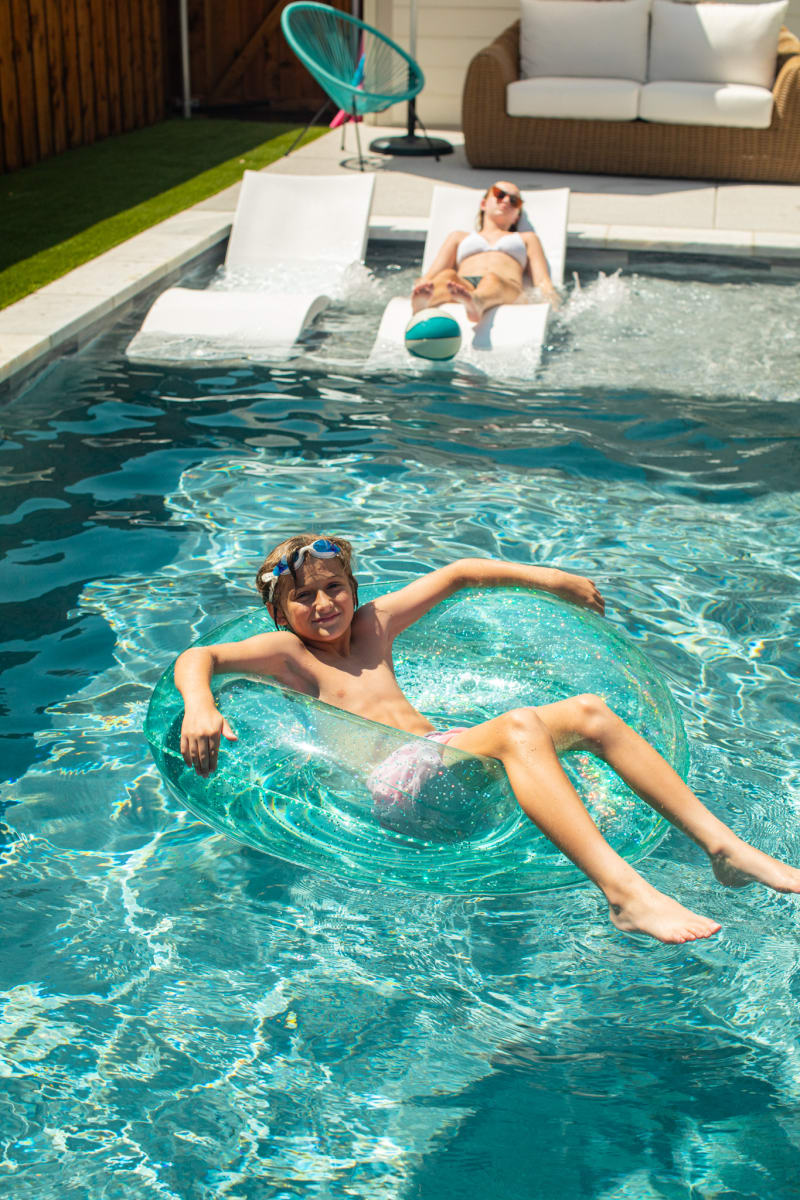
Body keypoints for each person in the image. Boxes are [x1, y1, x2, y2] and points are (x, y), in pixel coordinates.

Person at [175, 535, 800, 945]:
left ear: (353, 589)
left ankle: (726, 848)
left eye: (333, 586)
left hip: (443, 758)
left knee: (591, 712)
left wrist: (550, 580)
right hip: (396, 789)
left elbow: (460, 574)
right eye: (302, 597)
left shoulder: (374, 627)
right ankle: (626, 894)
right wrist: (200, 705)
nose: (323, 604)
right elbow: (198, 655)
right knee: (521, 724)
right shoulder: (291, 655)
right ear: (282, 614)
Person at [410, 180, 560, 323]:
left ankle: (477, 301)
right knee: (447, 276)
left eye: (514, 201)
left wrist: (553, 308)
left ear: (516, 217)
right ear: (483, 204)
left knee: (492, 279)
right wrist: (421, 286)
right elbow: (432, 274)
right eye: (499, 194)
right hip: (464, 286)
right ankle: (426, 302)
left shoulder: (527, 238)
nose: (506, 201)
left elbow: (542, 281)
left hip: (506, 286)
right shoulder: (458, 237)